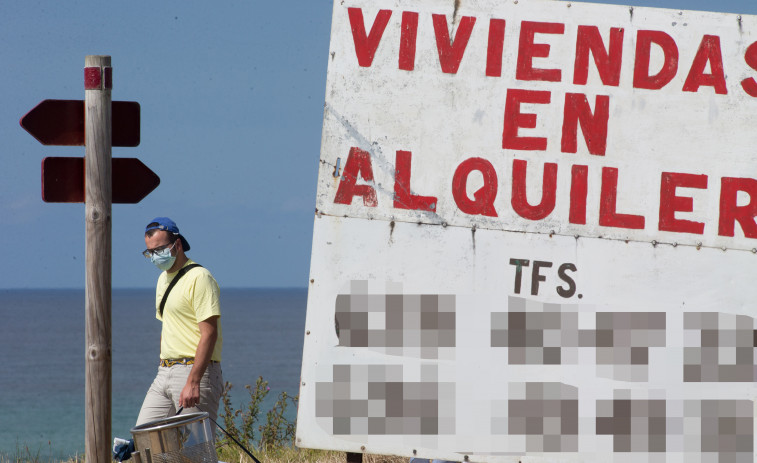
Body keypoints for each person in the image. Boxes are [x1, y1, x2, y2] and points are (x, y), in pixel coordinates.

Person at [136, 217, 223, 426]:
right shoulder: (162, 279)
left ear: (177, 244)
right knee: (145, 439)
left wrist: (193, 381)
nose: (155, 256)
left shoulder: (200, 277)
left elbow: (209, 333)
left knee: (196, 451)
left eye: (159, 249)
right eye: (150, 252)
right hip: (165, 371)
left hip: (193, 370)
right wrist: (162, 365)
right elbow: (168, 327)